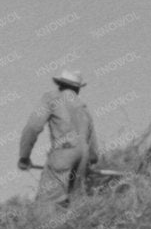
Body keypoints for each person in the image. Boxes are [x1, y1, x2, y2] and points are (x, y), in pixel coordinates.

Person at [17, 69, 101, 208]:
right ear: (77, 89)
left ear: (60, 84)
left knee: (46, 204)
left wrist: (24, 156)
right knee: (76, 203)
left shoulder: (52, 98)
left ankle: (46, 225)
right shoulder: (82, 106)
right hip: (83, 155)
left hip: (64, 152)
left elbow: (33, 127)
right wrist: (90, 162)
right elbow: (92, 145)